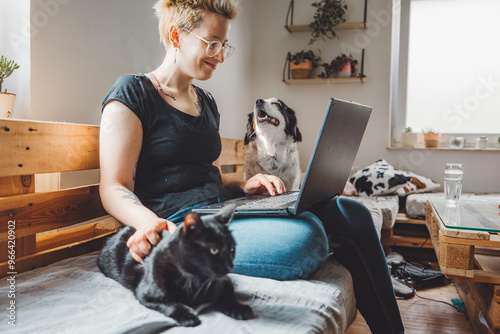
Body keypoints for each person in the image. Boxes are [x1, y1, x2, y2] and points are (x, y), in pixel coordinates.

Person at [99, 1, 404, 333]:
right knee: (308, 239)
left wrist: (242, 186)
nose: (220, 55)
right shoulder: (133, 93)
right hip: (180, 227)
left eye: (224, 45)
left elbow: (205, 175)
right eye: (211, 43)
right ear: (176, 35)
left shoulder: (206, 101)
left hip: (220, 211)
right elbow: (113, 185)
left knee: (351, 211)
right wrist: (147, 222)